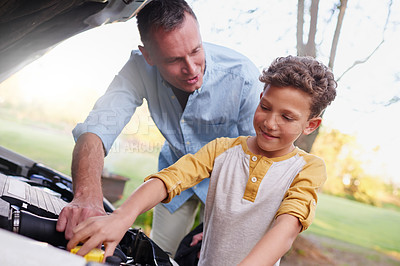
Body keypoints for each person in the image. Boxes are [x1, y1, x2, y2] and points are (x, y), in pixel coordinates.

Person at [67, 55, 337, 265]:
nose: (270, 122)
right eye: (265, 107)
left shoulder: (308, 168)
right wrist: (122, 217)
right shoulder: (222, 149)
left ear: (310, 125)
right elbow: (170, 178)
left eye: (287, 117)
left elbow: (287, 227)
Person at [56, 0, 262, 257]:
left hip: (230, 185)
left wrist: (227, 223)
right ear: (149, 55)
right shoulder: (138, 69)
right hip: (173, 179)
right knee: (157, 255)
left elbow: (257, 161)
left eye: (196, 50)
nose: (191, 68)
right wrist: (87, 198)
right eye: (174, 59)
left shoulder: (243, 77)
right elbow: (96, 129)